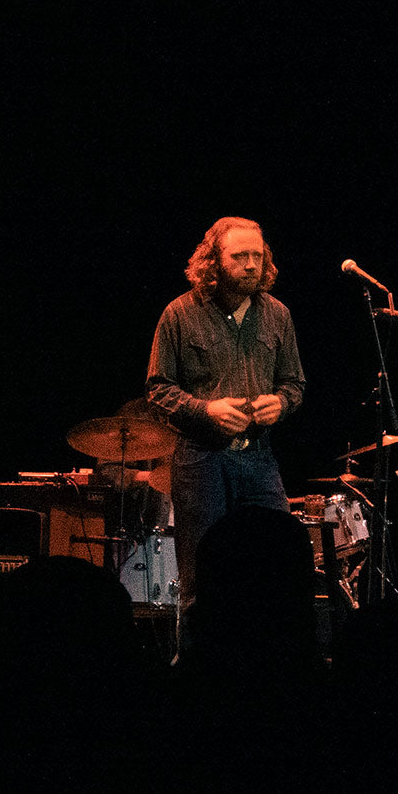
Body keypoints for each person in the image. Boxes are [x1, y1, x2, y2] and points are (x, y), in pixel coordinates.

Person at [142, 216, 306, 607]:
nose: (251, 265)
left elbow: (295, 384)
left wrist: (280, 403)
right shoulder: (180, 314)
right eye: (239, 256)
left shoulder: (278, 314)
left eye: (257, 255)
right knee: (202, 578)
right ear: (214, 261)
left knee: (276, 564)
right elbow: (157, 390)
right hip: (201, 460)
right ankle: (197, 662)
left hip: (259, 459)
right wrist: (205, 409)